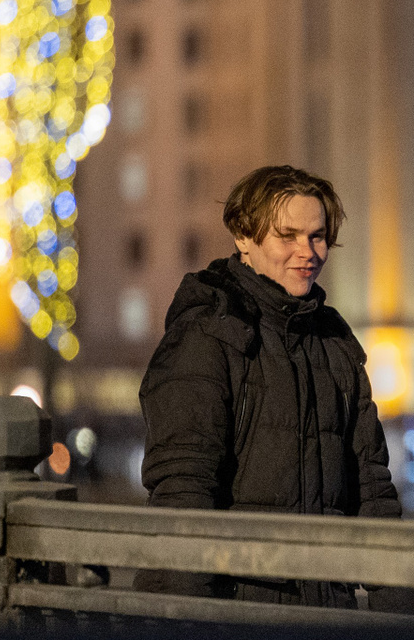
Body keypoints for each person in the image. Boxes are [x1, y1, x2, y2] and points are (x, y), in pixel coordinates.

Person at [141, 165, 400, 547]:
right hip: (239, 583)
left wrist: (392, 579)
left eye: (317, 236)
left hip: (325, 583)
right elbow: (182, 494)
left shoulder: (334, 343)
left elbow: (373, 487)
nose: (307, 252)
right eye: (287, 236)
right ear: (243, 236)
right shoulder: (206, 337)